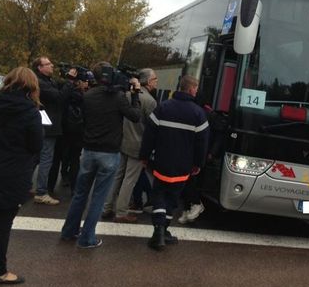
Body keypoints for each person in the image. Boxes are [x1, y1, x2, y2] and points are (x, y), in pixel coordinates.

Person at [0, 67, 43, 285]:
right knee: (4, 223)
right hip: (15, 171)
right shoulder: (31, 111)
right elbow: (36, 144)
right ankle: (0, 271)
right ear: (31, 86)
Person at [60, 62, 141, 249]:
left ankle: (69, 231)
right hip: (109, 152)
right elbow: (135, 116)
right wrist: (135, 93)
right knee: (98, 197)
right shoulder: (118, 97)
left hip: (88, 150)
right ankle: (87, 238)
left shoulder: (87, 96)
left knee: (80, 194)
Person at [140, 75, 209, 251]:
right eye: (196, 87)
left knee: (159, 196)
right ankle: (164, 231)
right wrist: (198, 164)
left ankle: (158, 231)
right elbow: (202, 143)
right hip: (183, 167)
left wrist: (145, 156)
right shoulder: (198, 113)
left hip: (161, 163)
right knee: (171, 198)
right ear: (192, 89)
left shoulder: (163, 107)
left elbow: (149, 134)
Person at [102, 68, 158, 223]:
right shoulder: (150, 101)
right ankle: (121, 212)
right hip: (138, 144)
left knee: (117, 176)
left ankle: (106, 207)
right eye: (154, 79)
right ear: (147, 81)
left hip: (123, 140)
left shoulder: (126, 95)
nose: (156, 82)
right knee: (130, 179)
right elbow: (152, 126)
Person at [31, 56, 73, 205]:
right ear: (39, 68)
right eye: (48, 64)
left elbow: (57, 86)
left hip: (44, 124)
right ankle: (41, 192)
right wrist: (70, 81)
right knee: (45, 159)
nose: (52, 66)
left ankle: (27, 185)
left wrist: (65, 79)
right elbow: (59, 97)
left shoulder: (47, 81)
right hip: (48, 126)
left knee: (35, 157)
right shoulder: (40, 82)